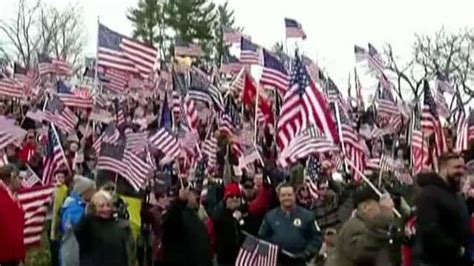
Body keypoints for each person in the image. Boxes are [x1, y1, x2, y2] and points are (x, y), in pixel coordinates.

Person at [414, 152, 471, 266]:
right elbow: (430, 231)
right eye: (457, 167)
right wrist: (457, 249)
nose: (461, 171)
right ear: (444, 169)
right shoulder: (429, 194)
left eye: (463, 168)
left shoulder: (455, 195)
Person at [326, 186, 395, 266]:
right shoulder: (355, 227)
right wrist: (384, 216)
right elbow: (363, 249)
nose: (380, 210)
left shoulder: (360, 224)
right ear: (365, 207)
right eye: (379, 206)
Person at [259, 183, 321, 266]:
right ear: (279, 197)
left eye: (289, 195)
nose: (286, 198)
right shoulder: (270, 216)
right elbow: (262, 238)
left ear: (294, 196)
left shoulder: (308, 215)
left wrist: (307, 253)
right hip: (277, 261)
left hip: (300, 261)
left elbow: (316, 237)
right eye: (283, 195)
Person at [161, 185, 212, 266]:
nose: (196, 196)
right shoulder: (178, 215)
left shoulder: (195, 215)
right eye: (193, 194)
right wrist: (180, 201)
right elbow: (169, 228)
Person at [75, 190, 130, 266]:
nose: (106, 209)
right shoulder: (88, 224)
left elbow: (123, 253)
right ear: (95, 207)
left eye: (108, 205)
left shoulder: (117, 225)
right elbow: (79, 233)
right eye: (101, 206)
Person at [59, 176, 96, 266]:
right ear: (84, 192)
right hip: (72, 250)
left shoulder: (84, 205)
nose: (95, 193)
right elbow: (77, 224)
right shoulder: (73, 206)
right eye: (93, 190)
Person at [213, 183, 244, 265]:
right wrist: (232, 217)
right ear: (225, 198)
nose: (234, 198)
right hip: (225, 258)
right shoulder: (219, 213)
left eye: (237, 196)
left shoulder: (244, 211)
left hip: (241, 256)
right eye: (231, 196)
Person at [0, 165, 24, 266]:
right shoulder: (2, 198)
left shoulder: (12, 197)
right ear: (11, 178)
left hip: (14, 256)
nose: (21, 180)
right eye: (19, 177)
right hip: (5, 257)